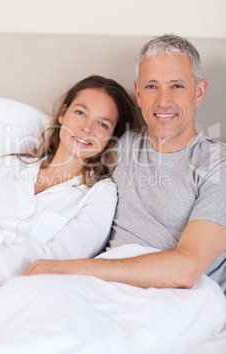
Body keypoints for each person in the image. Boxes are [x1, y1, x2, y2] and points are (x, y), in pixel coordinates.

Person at [24, 34, 226, 296]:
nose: (163, 101)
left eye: (177, 86)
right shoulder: (118, 146)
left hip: (180, 298)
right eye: (152, 86)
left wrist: (63, 268)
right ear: (139, 93)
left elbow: (187, 269)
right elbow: (43, 175)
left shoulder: (216, 163)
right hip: (102, 289)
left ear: (198, 92)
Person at [0, 75, 140, 285]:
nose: (87, 128)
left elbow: (56, 262)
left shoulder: (100, 195)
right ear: (63, 114)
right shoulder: (7, 167)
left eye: (103, 124)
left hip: (3, 287)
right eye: (80, 113)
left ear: (112, 138)